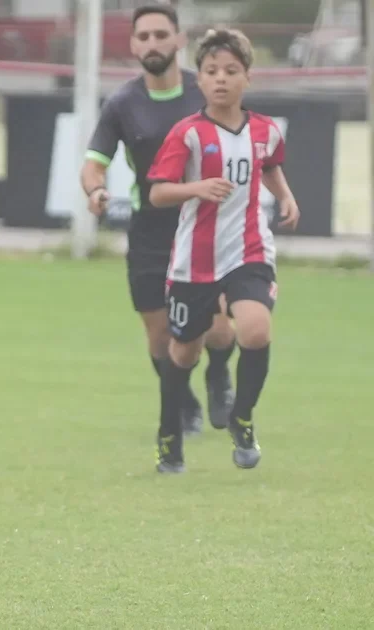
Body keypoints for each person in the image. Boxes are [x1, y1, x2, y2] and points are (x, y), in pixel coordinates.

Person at [147, 28, 299, 473]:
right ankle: (169, 438)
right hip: (194, 262)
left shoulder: (266, 131)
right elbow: (158, 193)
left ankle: (243, 418)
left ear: (247, 78)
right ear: (199, 80)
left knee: (255, 331)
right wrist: (198, 187)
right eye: (211, 71)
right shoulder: (188, 134)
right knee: (184, 354)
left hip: (249, 250)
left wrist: (286, 196)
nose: (221, 79)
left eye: (231, 71)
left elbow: (267, 167)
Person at [80, 4, 237, 435]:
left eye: (161, 35)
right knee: (160, 332)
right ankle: (181, 400)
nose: (152, 43)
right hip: (150, 229)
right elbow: (94, 162)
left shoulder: (205, 91)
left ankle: (220, 372)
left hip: (207, 224)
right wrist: (95, 190)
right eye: (143, 37)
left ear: (179, 40)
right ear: (133, 45)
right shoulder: (123, 103)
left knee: (220, 324)